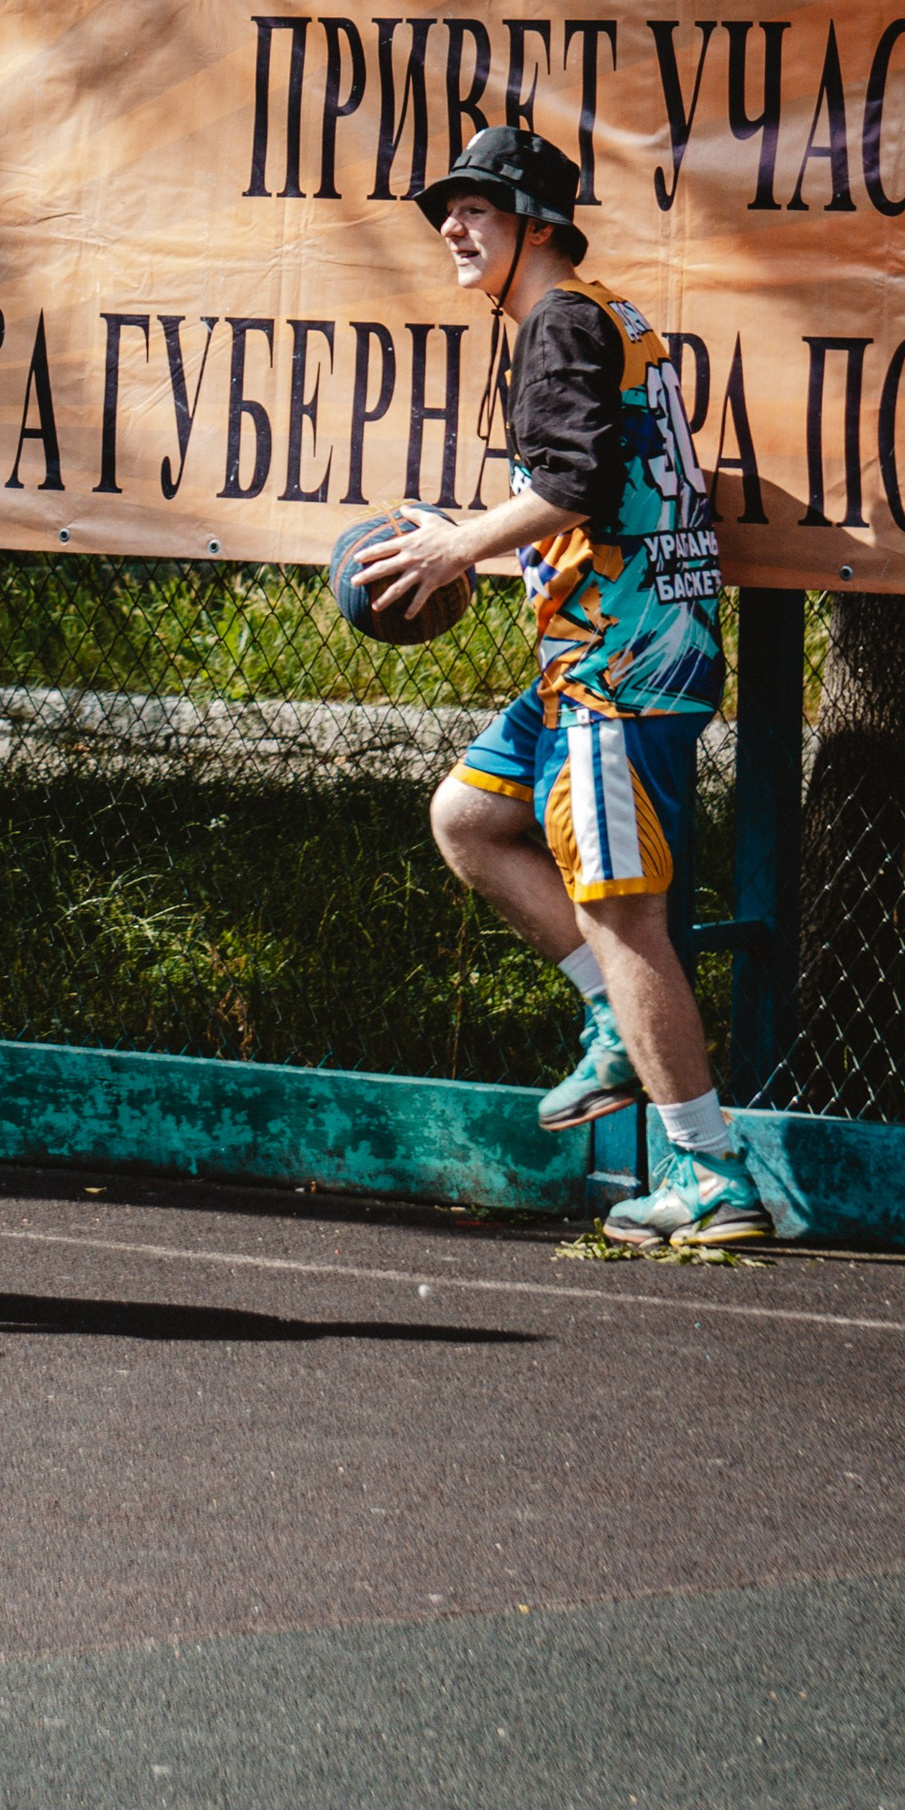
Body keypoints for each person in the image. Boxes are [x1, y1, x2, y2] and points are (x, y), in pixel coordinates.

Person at [354, 122, 774, 1251]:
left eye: (477, 208)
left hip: (620, 669)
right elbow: (587, 479)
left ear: (535, 225)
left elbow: (576, 486)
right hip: (598, 655)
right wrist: (471, 532)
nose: (453, 224)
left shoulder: (558, 323)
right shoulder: (597, 320)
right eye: (449, 208)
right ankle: (605, 1021)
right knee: (471, 817)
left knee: (623, 915)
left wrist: (453, 553)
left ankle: (710, 1172)